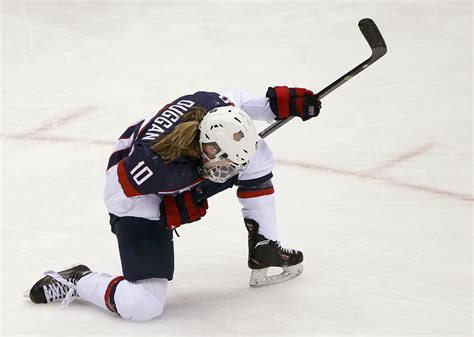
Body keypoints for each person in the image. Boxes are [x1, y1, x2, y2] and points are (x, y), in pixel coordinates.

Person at [24, 86, 321, 321]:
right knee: (144, 306)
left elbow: (238, 98)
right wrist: (166, 210)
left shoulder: (211, 107)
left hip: (180, 172)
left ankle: (264, 246)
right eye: (225, 162)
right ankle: (79, 280)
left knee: (256, 156)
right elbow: (116, 195)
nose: (228, 172)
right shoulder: (153, 168)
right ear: (211, 147)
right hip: (135, 200)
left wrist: (271, 106)